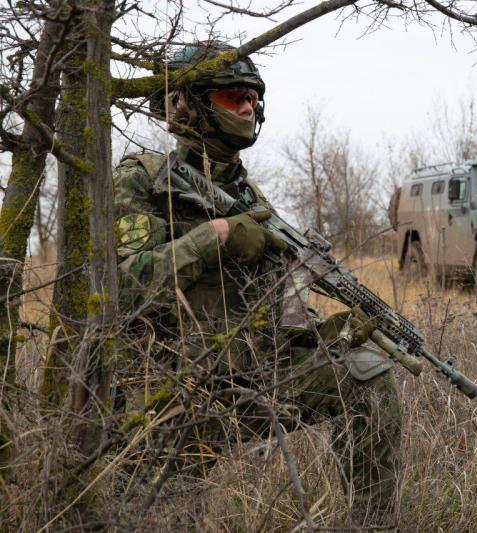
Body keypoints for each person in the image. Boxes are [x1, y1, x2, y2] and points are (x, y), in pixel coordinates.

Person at [112, 41, 401, 525]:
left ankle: (374, 522)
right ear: (187, 103)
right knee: (169, 517)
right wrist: (214, 237)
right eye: (231, 97)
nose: (247, 108)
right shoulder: (143, 181)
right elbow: (123, 289)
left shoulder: (248, 193)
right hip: (171, 392)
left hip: (251, 379)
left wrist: (321, 331)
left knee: (367, 370)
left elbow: (279, 302)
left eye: (251, 97)